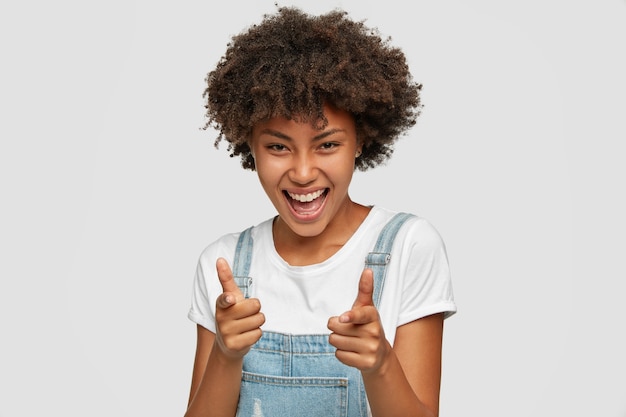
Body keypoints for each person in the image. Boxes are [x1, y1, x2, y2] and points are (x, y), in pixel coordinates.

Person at [185, 6, 456, 417]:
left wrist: (381, 364)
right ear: (249, 145)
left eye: (327, 144)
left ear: (361, 139)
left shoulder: (408, 247)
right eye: (278, 147)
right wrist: (225, 355)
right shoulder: (223, 265)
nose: (304, 172)